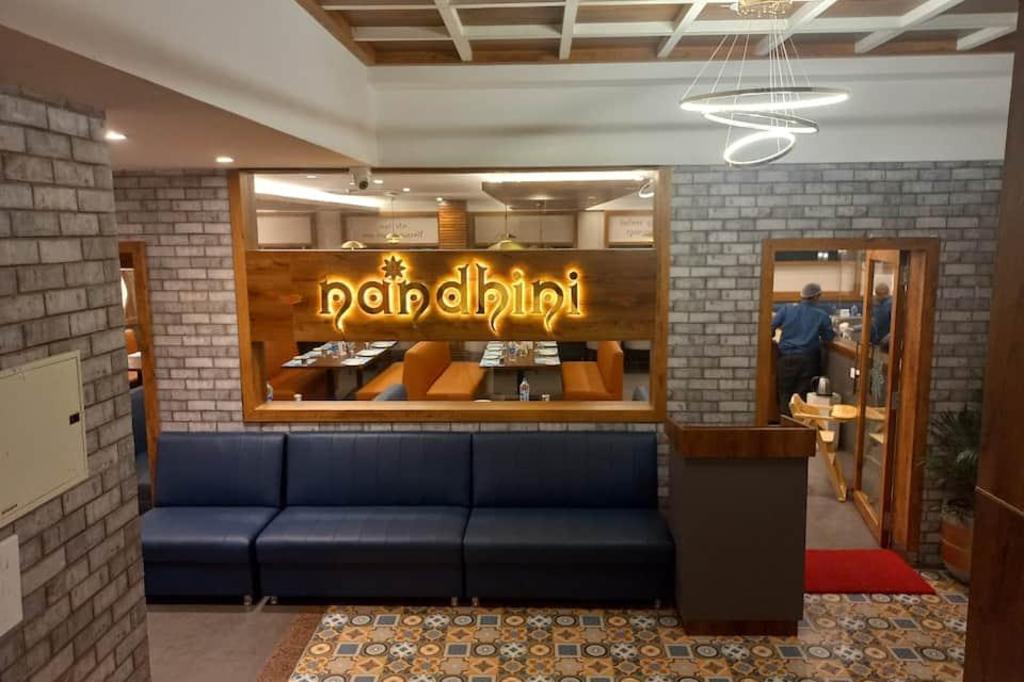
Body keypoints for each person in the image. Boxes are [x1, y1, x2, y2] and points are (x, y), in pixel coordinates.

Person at [772, 282, 835, 416]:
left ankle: (786, 423)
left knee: (785, 393)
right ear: (817, 296)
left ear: (802, 295)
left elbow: (770, 327)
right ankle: (800, 426)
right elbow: (828, 337)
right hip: (808, 360)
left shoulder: (787, 309)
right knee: (803, 397)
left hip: (786, 358)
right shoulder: (821, 315)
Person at [870, 282, 892, 348]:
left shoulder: (891, 304)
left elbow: (896, 325)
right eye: (878, 294)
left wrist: (889, 336)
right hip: (874, 339)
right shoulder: (873, 303)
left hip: (886, 340)